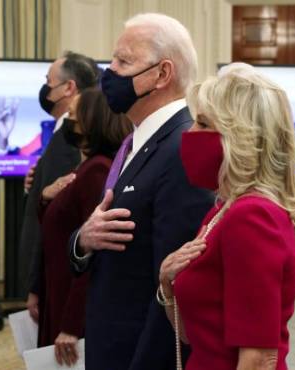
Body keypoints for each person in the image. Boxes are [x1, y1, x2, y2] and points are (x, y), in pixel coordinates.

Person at [68, 13, 214, 370]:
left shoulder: (182, 149)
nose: (110, 71)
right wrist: (82, 241)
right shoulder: (135, 142)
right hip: (110, 342)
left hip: (138, 355)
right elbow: (103, 238)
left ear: (162, 74)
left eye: (123, 61)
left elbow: (174, 287)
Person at [159, 63, 295, 370]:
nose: (189, 134)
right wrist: (167, 283)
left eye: (202, 124)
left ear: (239, 138)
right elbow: (192, 336)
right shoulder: (222, 210)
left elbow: (258, 358)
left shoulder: (252, 217)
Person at [37, 88, 132, 366]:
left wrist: (71, 324)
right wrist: (44, 198)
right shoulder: (87, 167)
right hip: (59, 288)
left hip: (72, 298)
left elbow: (93, 254)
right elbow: (60, 228)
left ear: (92, 121)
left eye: (73, 115)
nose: (68, 120)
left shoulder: (97, 171)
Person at [17, 51, 100, 321]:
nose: (45, 88)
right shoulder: (64, 133)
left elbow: (56, 218)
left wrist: (35, 285)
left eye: (48, 81)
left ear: (68, 87)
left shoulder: (70, 139)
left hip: (56, 273)